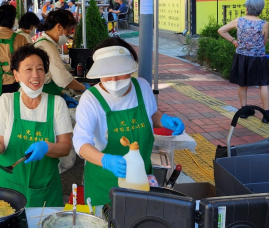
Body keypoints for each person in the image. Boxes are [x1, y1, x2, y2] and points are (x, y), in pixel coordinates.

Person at [73, 37, 185, 205]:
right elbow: (81, 142)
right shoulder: (90, 100)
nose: (114, 79)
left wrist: (163, 119)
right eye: (106, 73)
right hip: (104, 186)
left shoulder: (143, 87)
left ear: (131, 66)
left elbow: (150, 114)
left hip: (141, 181)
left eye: (120, 71)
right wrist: (105, 160)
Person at [0, 45, 72, 207]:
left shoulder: (57, 103)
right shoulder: (7, 101)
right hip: (7, 186)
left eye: (40, 69)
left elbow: (66, 147)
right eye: (28, 69)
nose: (35, 75)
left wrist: (47, 147)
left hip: (44, 189)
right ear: (16, 75)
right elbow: (0, 145)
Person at [218, 0, 269, 123]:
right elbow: (264, 42)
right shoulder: (264, 24)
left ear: (247, 7)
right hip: (258, 58)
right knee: (263, 84)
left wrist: (234, 41)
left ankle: (243, 111)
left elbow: (221, 30)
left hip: (241, 57)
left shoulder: (239, 21)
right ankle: (267, 114)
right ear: (260, 9)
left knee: (243, 84)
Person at [33, 10, 86, 103]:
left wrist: (62, 94)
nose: (68, 35)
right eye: (68, 32)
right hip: (41, 95)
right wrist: (84, 88)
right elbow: (62, 78)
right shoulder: (47, 46)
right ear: (59, 27)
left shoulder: (43, 41)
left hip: (44, 91)